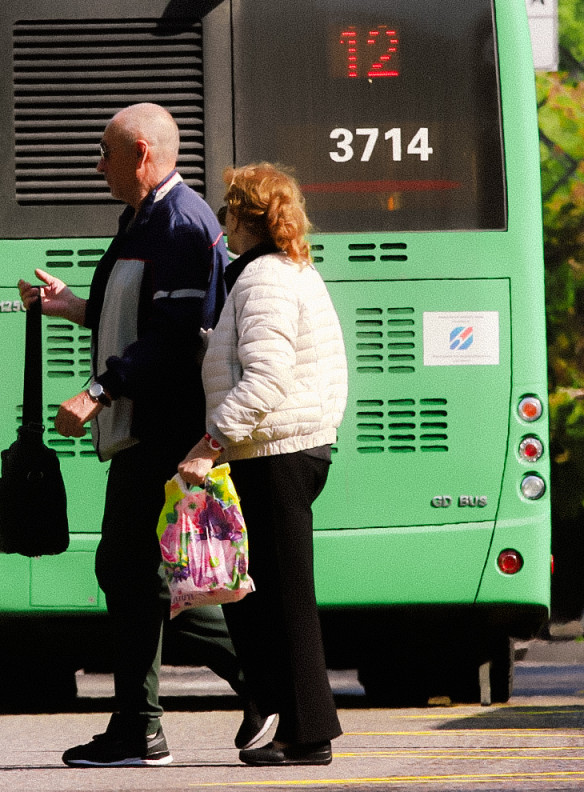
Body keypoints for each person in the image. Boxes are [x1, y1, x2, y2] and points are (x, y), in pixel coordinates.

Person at [20, 103, 266, 768]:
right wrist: (71, 305)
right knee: (134, 573)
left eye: (103, 153)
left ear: (138, 153)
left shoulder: (181, 224)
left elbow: (176, 337)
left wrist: (97, 393)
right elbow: (133, 315)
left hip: (166, 427)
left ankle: (240, 692)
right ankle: (150, 721)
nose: (95, 167)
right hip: (144, 428)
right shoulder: (143, 219)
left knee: (135, 573)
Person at [179, 163, 347, 766]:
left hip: (277, 454)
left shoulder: (265, 281)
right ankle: (293, 723)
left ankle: (309, 733)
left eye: (226, 210)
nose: (221, 221)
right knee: (270, 596)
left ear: (244, 217)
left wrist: (210, 442)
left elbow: (268, 376)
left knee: (285, 598)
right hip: (285, 448)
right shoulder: (275, 274)